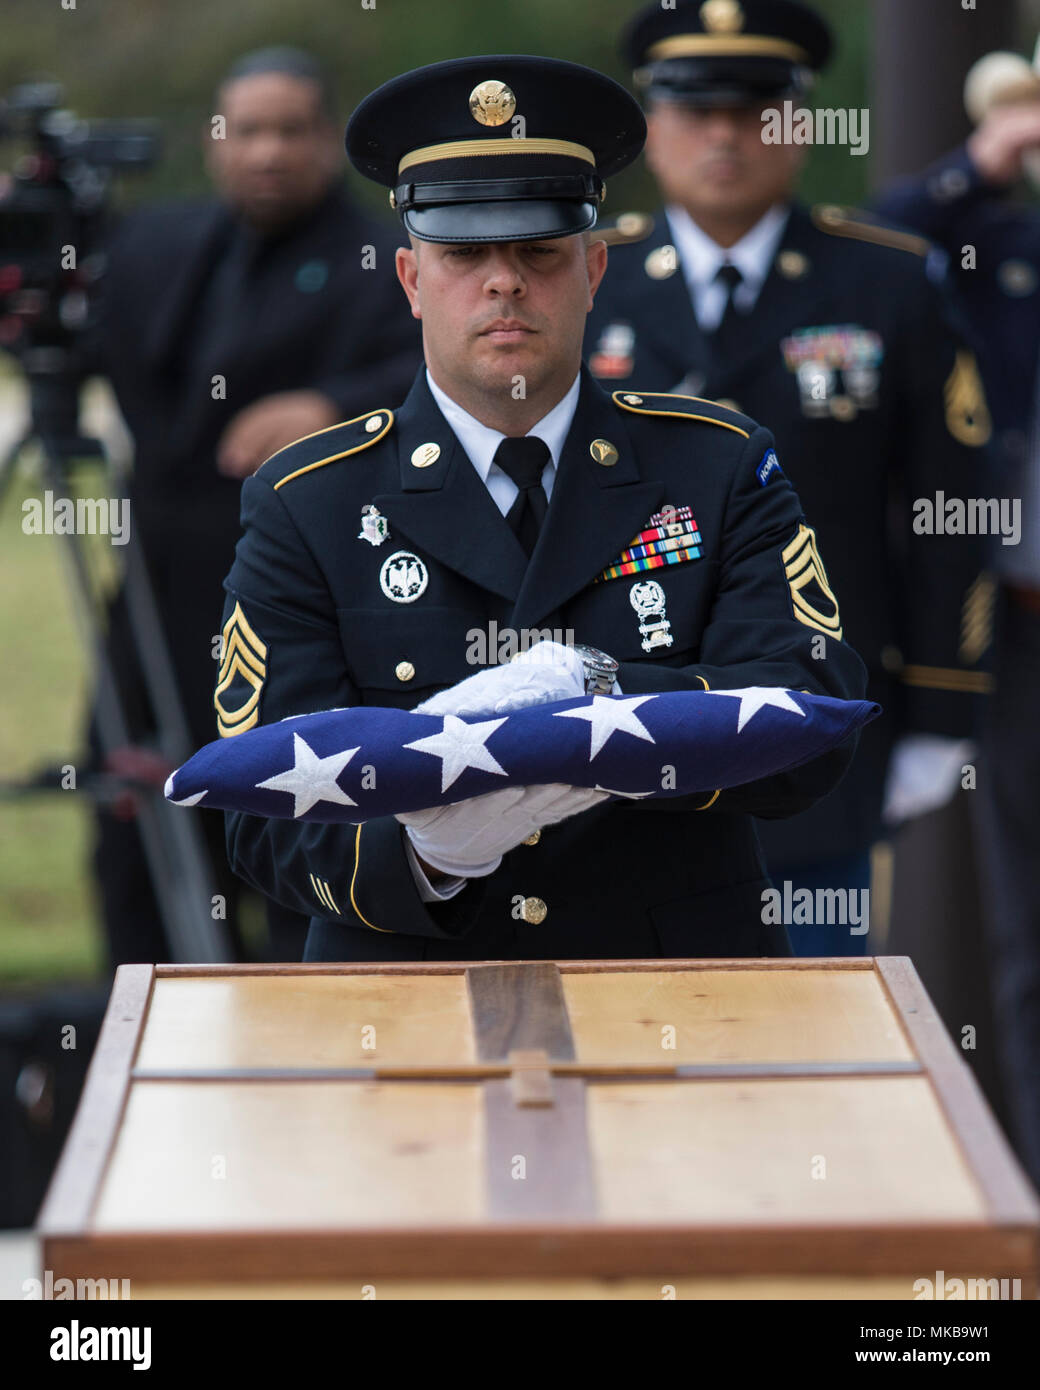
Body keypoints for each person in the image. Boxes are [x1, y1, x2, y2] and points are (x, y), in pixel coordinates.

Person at [216, 53, 867, 965]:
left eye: (538, 251)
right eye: (464, 254)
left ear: (595, 268)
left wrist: (597, 703)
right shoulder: (307, 501)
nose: (504, 282)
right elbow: (261, 806)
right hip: (405, 991)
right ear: (410, 279)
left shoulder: (718, 465)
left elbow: (809, 716)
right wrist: (423, 853)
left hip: (676, 984)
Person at [584, 0, 993, 955]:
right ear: (652, 125)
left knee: (812, 1038)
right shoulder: (589, 275)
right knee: (629, 1048)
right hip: (613, 722)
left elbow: (947, 502)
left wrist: (940, 705)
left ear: (800, 121)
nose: (725, 133)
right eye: (695, 109)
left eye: (757, 107)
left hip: (817, 717)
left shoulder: (890, 281)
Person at [88, 47, 420, 968]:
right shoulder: (161, 243)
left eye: (290, 130)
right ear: (214, 142)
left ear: (327, 140)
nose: (266, 152)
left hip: (302, 601)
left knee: (285, 831)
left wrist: (330, 406)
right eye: (247, 130)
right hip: (152, 597)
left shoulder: (378, 257)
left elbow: (441, 364)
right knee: (133, 843)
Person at [876, 89, 1040, 1186]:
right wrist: (977, 164)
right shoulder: (995, 241)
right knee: (1030, 938)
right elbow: (878, 250)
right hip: (1027, 635)